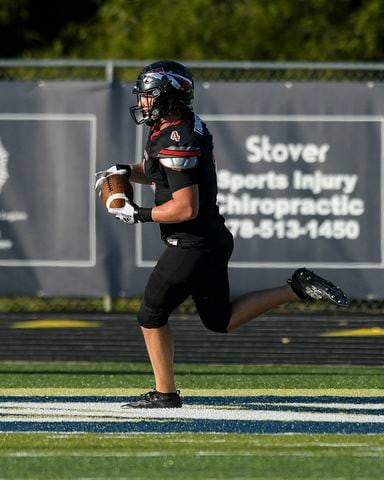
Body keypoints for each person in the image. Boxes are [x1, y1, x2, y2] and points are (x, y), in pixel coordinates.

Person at [95, 60, 349, 409]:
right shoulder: (176, 127)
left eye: (150, 96)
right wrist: (125, 171)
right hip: (211, 239)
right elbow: (160, 172)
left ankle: (165, 393)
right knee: (220, 320)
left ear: (168, 97)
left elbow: (185, 207)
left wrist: (137, 214)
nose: (143, 102)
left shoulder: (176, 136)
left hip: (192, 244)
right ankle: (297, 287)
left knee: (151, 315)